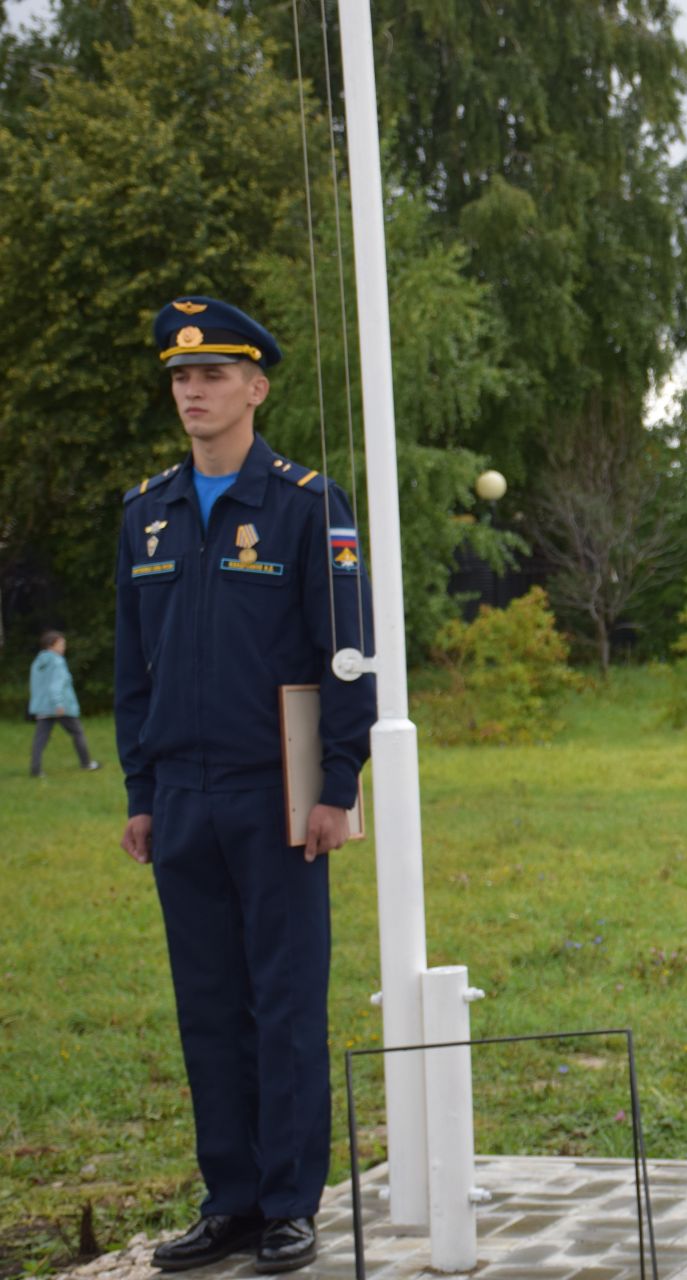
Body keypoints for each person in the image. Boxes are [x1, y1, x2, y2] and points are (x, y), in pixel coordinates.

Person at [115, 297, 375, 1274]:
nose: (194, 390)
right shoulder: (147, 512)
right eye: (182, 376)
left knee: (283, 1001)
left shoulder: (308, 504)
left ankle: (287, 1203)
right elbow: (133, 667)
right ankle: (228, 1198)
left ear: (256, 387)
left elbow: (347, 652)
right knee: (208, 1004)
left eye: (215, 374)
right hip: (182, 796)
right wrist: (140, 789)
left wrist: (336, 783)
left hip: (278, 794)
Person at [28, 630, 101, 776]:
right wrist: (58, 704)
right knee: (78, 733)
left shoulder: (37, 662)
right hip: (61, 707)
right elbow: (56, 685)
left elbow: (35, 686)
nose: (63, 647)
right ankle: (86, 763)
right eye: (61, 644)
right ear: (51, 645)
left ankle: (35, 770)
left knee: (40, 739)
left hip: (43, 708)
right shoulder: (57, 661)